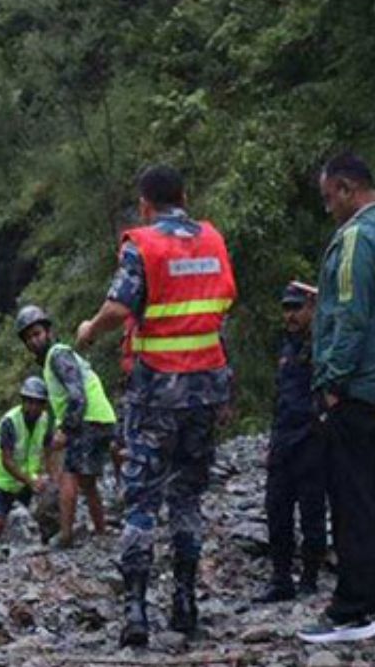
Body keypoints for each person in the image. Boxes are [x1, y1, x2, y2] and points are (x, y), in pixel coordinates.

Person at [75, 165, 235, 646]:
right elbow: (223, 309)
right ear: (185, 196)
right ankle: (185, 604)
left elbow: (120, 308)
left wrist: (89, 329)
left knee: (141, 501)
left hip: (156, 397)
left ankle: (136, 612)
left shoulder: (143, 244)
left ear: (145, 205)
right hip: (206, 390)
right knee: (187, 496)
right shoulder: (212, 241)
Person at [297, 153, 375, 644]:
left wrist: (331, 381)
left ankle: (351, 610)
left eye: (330, 197)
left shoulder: (356, 238)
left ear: (348, 189)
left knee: (352, 499)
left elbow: (350, 315)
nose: (329, 208)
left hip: (358, 387)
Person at [18, 306, 117, 550]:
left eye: (37, 333)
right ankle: (101, 531)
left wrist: (66, 428)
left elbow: (77, 394)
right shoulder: (61, 356)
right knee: (88, 482)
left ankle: (65, 535)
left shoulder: (57, 355)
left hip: (86, 420)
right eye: (29, 337)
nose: (34, 340)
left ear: (49, 331)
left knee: (68, 478)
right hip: (101, 418)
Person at [253, 283, 327, 603]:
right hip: (284, 439)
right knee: (277, 511)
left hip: (312, 439)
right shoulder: (287, 346)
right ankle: (280, 577)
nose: (291, 315)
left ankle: (310, 578)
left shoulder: (322, 343)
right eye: (287, 308)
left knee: (312, 512)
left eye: (297, 308)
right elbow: (280, 397)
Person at [0, 377, 53, 562]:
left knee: (49, 510)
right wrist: (31, 481)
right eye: (29, 402)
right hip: (2, 480)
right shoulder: (10, 422)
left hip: (26, 479)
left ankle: (47, 552)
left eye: (38, 403)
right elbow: (7, 460)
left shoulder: (44, 420)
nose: (33, 407)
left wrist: (47, 475)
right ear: (23, 401)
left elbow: (47, 448)